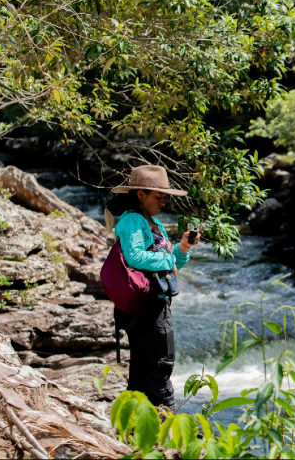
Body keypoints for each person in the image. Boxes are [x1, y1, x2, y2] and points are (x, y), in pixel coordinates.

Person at [109, 165, 200, 410]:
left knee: (141, 373)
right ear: (140, 194)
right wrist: (169, 259)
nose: (163, 201)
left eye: (164, 196)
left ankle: (133, 433)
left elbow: (171, 265)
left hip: (154, 304)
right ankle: (171, 433)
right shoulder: (132, 221)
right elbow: (135, 257)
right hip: (146, 308)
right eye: (158, 196)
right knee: (160, 368)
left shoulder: (155, 224)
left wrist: (182, 248)